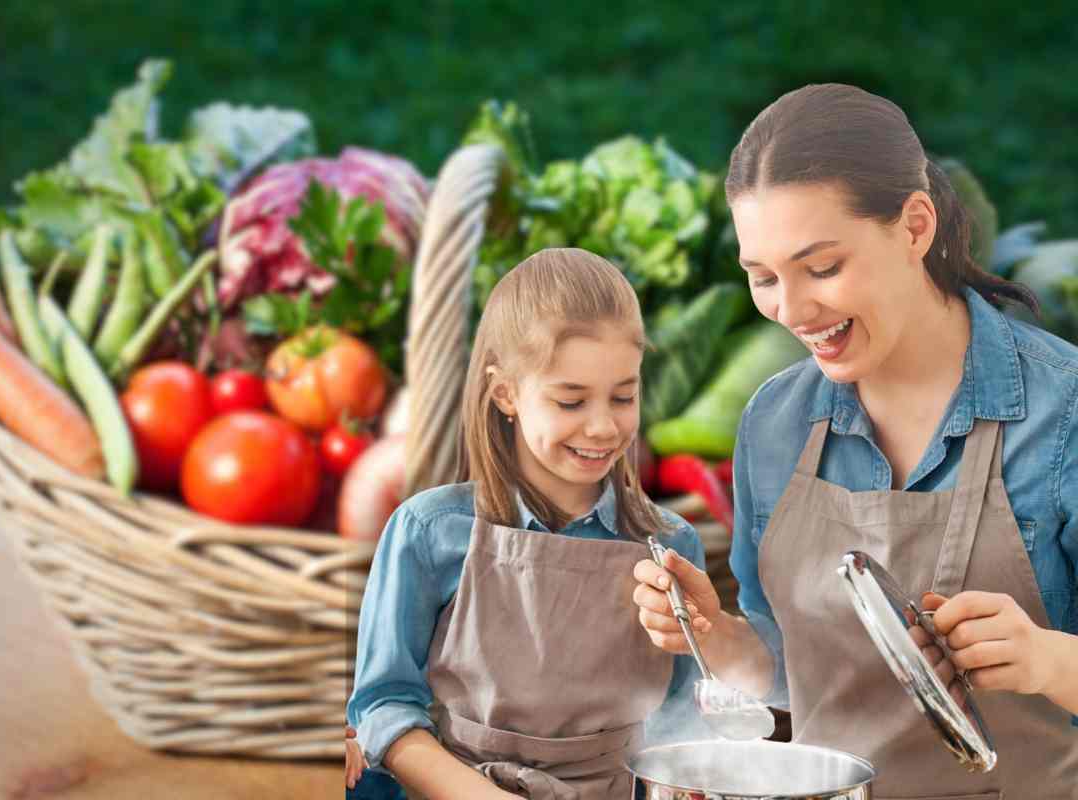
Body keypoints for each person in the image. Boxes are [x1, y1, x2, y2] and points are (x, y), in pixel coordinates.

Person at [633, 83, 1078, 798]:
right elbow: (784, 673)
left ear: (914, 226)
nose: (792, 310)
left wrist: (1050, 661)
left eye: (822, 268)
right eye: (763, 278)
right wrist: (711, 632)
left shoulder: (1064, 414)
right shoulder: (775, 424)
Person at [347, 248, 709, 799]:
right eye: (570, 401)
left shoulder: (670, 545)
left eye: (624, 396)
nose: (603, 427)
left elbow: (684, 724)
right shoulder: (428, 530)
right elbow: (382, 706)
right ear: (505, 394)